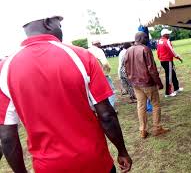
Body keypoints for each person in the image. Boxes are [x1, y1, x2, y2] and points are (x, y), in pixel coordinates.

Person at [0, 15, 132, 173]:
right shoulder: (81, 56)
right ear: (47, 23)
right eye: (59, 25)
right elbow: (106, 115)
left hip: (48, 167)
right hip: (95, 161)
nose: (61, 30)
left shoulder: (5, 69)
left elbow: (7, 136)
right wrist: (122, 151)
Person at [124, 32, 169, 138]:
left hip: (135, 83)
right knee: (155, 104)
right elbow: (152, 69)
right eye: (146, 37)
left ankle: (143, 130)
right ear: (140, 38)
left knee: (141, 106)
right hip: (147, 83)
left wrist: (131, 80)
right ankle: (157, 128)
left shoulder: (129, 50)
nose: (147, 39)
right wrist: (159, 82)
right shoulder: (145, 49)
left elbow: (125, 67)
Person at [89, 40, 117, 109]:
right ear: (97, 44)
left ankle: (98, 108)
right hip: (101, 74)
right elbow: (105, 63)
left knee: (97, 92)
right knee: (110, 90)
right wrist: (107, 70)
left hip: (91, 75)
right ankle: (111, 107)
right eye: (100, 43)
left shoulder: (87, 50)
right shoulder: (98, 50)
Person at [156, 29, 183, 97]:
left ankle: (176, 88)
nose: (169, 35)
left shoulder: (160, 41)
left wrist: (161, 58)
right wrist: (178, 57)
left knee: (172, 74)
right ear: (165, 35)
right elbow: (171, 50)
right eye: (168, 34)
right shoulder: (166, 41)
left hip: (163, 60)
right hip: (167, 61)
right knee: (169, 76)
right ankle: (168, 93)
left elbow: (158, 52)